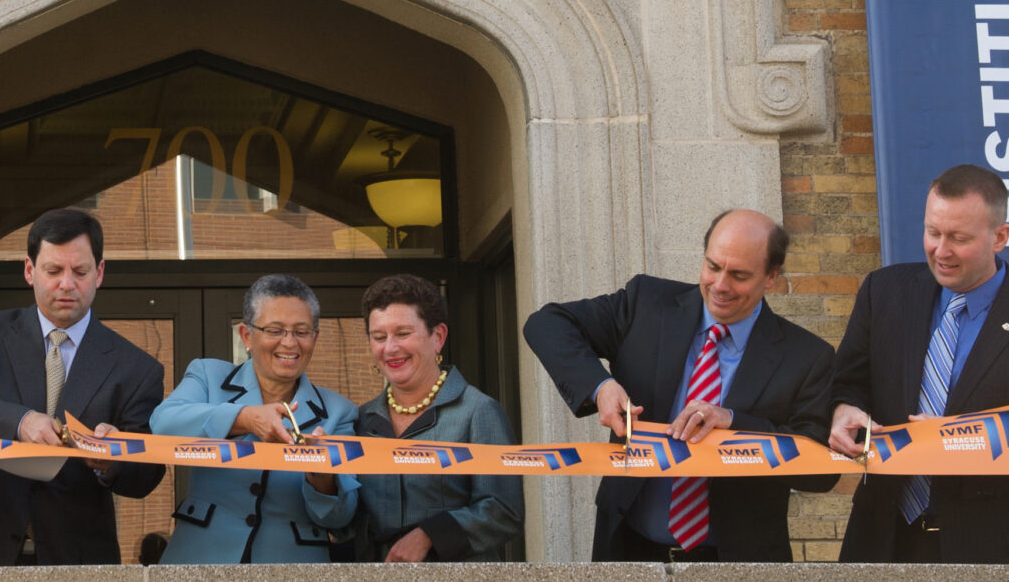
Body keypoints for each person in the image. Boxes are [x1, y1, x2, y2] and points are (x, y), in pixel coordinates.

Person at [523, 209, 834, 562]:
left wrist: (734, 422)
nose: (720, 286)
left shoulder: (807, 356)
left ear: (771, 277)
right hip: (630, 550)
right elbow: (546, 323)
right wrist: (601, 386)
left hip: (739, 565)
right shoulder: (646, 304)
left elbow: (822, 470)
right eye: (713, 267)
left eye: (739, 275)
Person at [0, 208, 165, 566]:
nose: (67, 284)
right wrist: (22, 422)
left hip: (79, 559)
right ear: (29, 270)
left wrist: (113, 460)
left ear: (99, 273)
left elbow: (148, 473)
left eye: (80, 271)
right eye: (53, 271)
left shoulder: (137, 368)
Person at [829, 162, 1009, 563]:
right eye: (933, 232)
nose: (940, 251)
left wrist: (967, 439)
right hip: (882, 537)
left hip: (990, 544)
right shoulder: (885, 291)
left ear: (1000, 237)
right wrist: (843, 410)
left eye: (959, 238)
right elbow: (846, 382)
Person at [151, 273, 359, 563]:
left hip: (293, 573)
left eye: (301, 331)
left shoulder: (340, 411)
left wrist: (322, 478)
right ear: (246, 336)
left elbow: (340, 518)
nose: (289, 343)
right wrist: (245, 418)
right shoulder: (208, 376)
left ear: (315, 337)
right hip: (199, 560)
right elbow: (163, 425)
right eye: (275, 330)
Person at [354, 274, 523, 562]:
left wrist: (429, 535)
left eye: (403, 333)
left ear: (439, 337)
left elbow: (503, 510)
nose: (390, 348)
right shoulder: (361, 419)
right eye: (379, 337)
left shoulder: (478, 411)